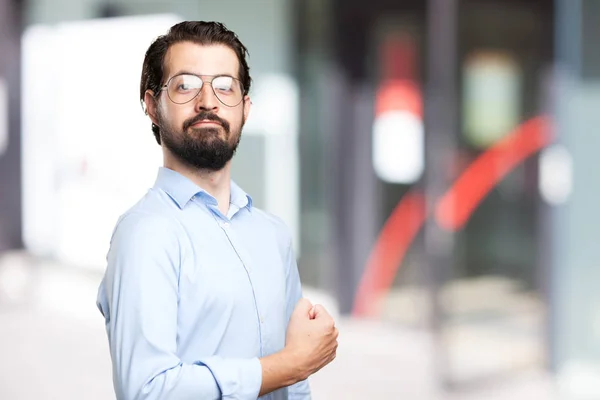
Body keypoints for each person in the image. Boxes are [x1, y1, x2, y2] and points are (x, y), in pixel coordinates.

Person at [96, 21, 338, 400]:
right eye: (186, 85)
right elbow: (147, 390)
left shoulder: (272, 234)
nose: (208, 100)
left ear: (245, 108)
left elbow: (296, 382)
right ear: (152, 106)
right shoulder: (145, 233)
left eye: (225, 86)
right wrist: (288, 365)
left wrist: (293, 369)